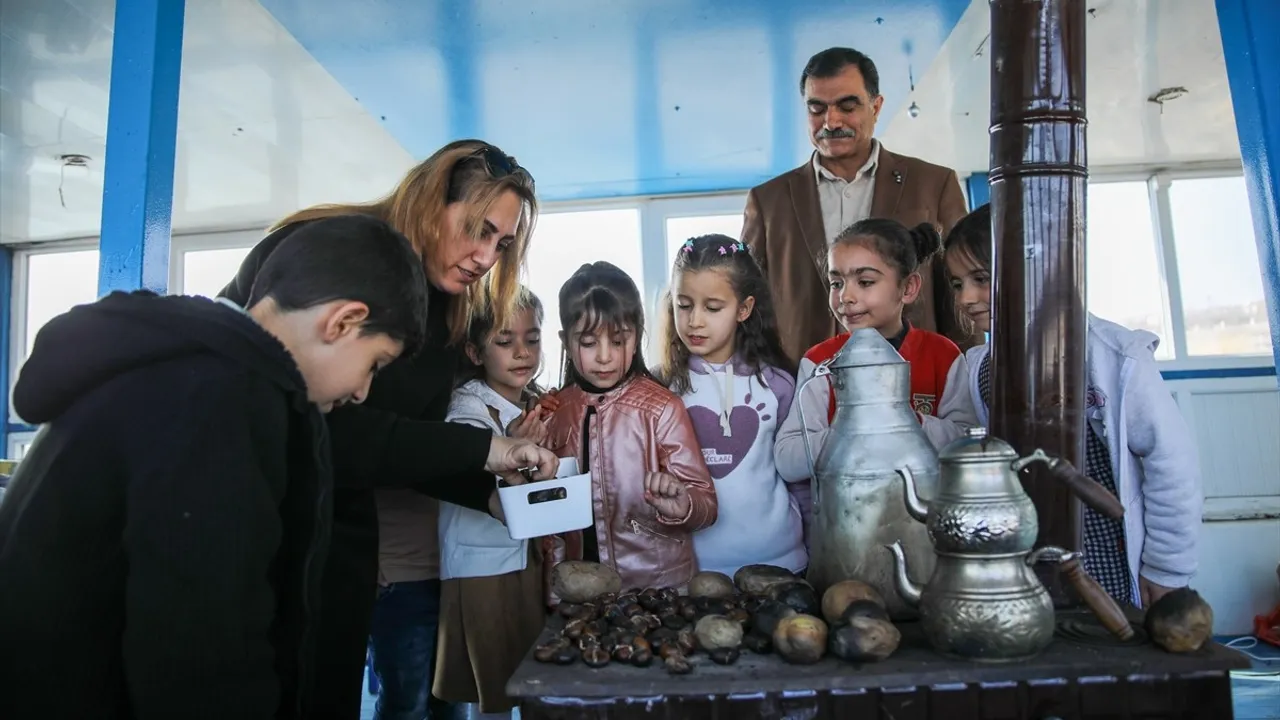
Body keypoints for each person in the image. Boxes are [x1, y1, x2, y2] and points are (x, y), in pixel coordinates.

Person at [0, 216, 446, 719]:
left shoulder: (178, 371)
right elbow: (199, 651)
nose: (363, 391)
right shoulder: (221, 398)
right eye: (375, 363)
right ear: (343, 321)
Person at [219, 140, 554, 720]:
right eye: (477, 229)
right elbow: (326, 433)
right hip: (258, 530)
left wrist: (487, 496)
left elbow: (405, 445)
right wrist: (486, 448)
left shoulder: (452, 306)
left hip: (343, 543)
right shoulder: (329, 251)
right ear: (432, 199)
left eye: (500, 245)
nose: (484, 256)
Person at [944, 204, 1202, 608]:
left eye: (981, 278)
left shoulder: (1113, 356)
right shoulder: (977, 369)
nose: (967, 298)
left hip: (1112, 569)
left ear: (1038, 269)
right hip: (1025, 574)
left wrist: (1166, 569)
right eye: (957, 284)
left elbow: (1172, 463)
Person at [741, 46, 971, 365]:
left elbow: (959, 291)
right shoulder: (768, 201)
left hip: (915, 379)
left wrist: (967, 372)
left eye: (847, 106)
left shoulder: (934, 184)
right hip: (804, 384)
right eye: (816, 108)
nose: (831, 121)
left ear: (876, 107)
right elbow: (748, 302)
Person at [539, 261, 718, 592]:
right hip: (580, 595)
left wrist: (683, 505)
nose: (605, 356)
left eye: (619, 340)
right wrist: (555, 591)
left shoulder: (663, 409)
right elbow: (551, 523)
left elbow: (705, 503)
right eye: (589, 342)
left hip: (660, 590)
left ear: (637, 336)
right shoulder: (555, 412)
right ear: (566, 340)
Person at [775, 218, 978, 485]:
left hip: (925, 516)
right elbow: (787, 459)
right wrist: (852, 428)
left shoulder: (942, 355)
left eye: (866, 282)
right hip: (846, 517)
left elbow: (968, 442)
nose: (846, 297)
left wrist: (905, 421)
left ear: (908, 288)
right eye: (836, 283)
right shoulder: (818, 361)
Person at [654, 234, 808, 573]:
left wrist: (818, 546)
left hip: (782, 563)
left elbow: (799, 479)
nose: (694, 320)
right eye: (683, 305)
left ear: (744, 309)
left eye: (712, 308)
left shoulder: (779, 384)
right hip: (693, 571)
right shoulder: (660, 387)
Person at [433, 287, 550, 718]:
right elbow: (465, 463)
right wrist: (516, 443)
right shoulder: (466, 406)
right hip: (481, 570)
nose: (522, 352)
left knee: (538, 678)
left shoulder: (539, 403)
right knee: (494, 693)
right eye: (505, 341)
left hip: (531, 564)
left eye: (532, 338)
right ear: (475, 351)